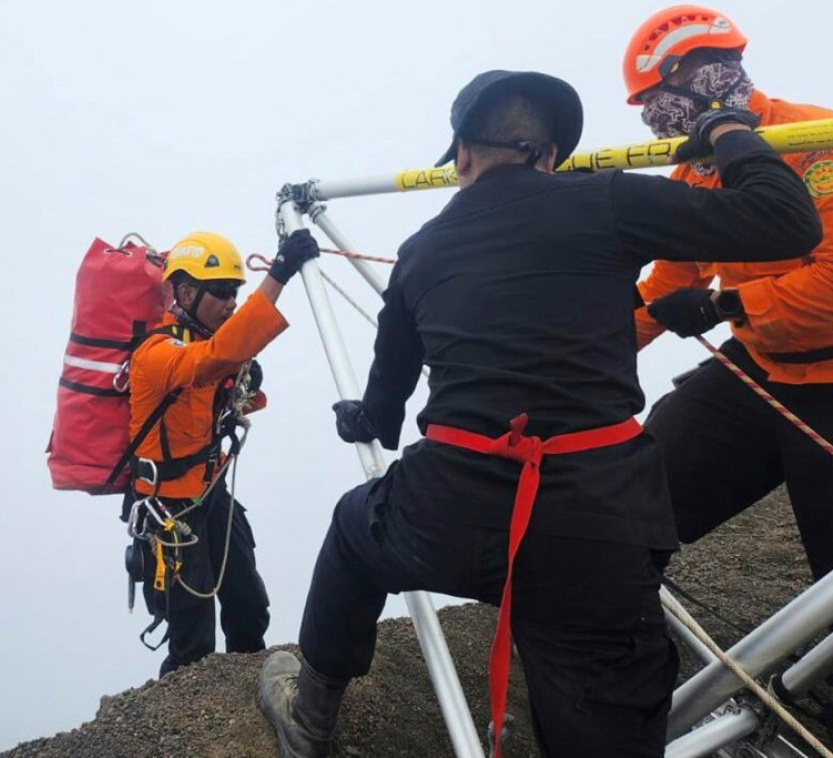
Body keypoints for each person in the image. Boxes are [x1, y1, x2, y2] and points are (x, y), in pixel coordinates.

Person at [257, 69, 821, 757]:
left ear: (462, 154)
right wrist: (728, 128)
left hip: (446, 514)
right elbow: (786, 220)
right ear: (551, 155)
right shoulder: (607, 198)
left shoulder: (421, 250)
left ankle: (310, 716)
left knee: (353, 530)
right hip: (593, 526)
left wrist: (363, 419)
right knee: (601, 700)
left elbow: (385, 404)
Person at [624, 6, 833, 581]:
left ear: (697, 75)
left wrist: (725, 307)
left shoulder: (814, 141)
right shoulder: (697, 170)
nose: (653, 117)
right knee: (630, 502)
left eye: (655, 99)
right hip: (759, 367)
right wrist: (575, 350)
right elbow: (669, 284)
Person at [127, 229, 318, 677]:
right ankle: (184, 710)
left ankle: (251, 694)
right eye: (221, 291)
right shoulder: (157, 354)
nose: (231, 302)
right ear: (185, 293)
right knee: (192, 639)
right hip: (168, 511)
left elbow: (224, 380)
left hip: (210, 495)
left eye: (235, 291)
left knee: (248, 606)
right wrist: (278, 275)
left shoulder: (202, 348)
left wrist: (244, 383)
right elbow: (212, 358)